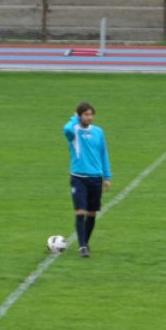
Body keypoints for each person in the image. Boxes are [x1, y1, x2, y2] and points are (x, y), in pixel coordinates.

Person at [63, 102, 112, 258]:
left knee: (91, 214)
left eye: (91, 114)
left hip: (96, 179)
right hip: (79, 178)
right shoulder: (74, 131)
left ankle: (85, 243)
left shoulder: (98, 132)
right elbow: (67, 129)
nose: (89, 117)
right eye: (85, 114)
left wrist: (107, 176)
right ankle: (82, 246)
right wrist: (74, 118)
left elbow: (103, 154)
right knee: (80, 212)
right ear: (80, 116)